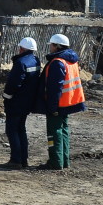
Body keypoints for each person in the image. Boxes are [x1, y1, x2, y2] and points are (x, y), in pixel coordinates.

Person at [39, 33, 86, 170]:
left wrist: (52, 107)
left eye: (51, 45)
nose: (50, 48)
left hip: (59, 104)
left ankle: (55, 162)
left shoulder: (57, 63)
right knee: (63, 131)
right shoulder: (71, 61)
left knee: (54, 133)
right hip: (70, 102)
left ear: (57, 46)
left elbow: (55, 88)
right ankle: (64, 161)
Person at [2, 37, 41, 169]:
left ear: (22, 48)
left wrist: (6, 97)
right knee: (21, 129)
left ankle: (15, 160)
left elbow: (13, 83)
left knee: (12, 130)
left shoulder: (20, 63)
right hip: (27, 102)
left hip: (16, 102)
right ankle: (23, 160)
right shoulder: (35, 61)